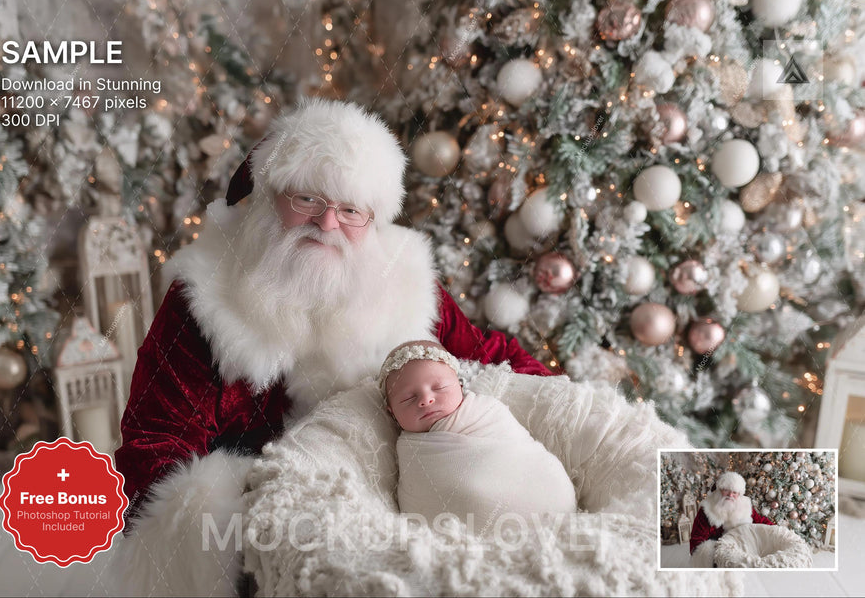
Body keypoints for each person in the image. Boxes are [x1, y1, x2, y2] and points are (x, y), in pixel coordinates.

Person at [111, 99, 556, 596]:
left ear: (373, 220)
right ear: (269, 193)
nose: (327, 224)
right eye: (307, 200)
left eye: (349, 210)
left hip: (395, 498)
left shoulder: (406, 284)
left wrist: (553, 414)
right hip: (261, 521)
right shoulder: (204, 295)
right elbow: (157, 437)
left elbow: (490, 356)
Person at [382, 340, 576, 535]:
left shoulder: (486, 411)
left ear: (459, 385)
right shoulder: (410, 449)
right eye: (408, 398)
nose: (426, 399)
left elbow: (523, 450)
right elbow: (418, 494)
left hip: (541, 489)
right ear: (392, 413)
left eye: (439, 388)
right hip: (465, 523)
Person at [689, 471, 774, 567]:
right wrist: (717, 555)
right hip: (716, 553)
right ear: (720, 490)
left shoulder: (745, 506)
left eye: (734, 492)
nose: (730, 495)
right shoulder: (707, 509)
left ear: (739, 494)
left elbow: (760, 521)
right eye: (726, 490)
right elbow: (697, 539)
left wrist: (776, 529)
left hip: (740, 548)